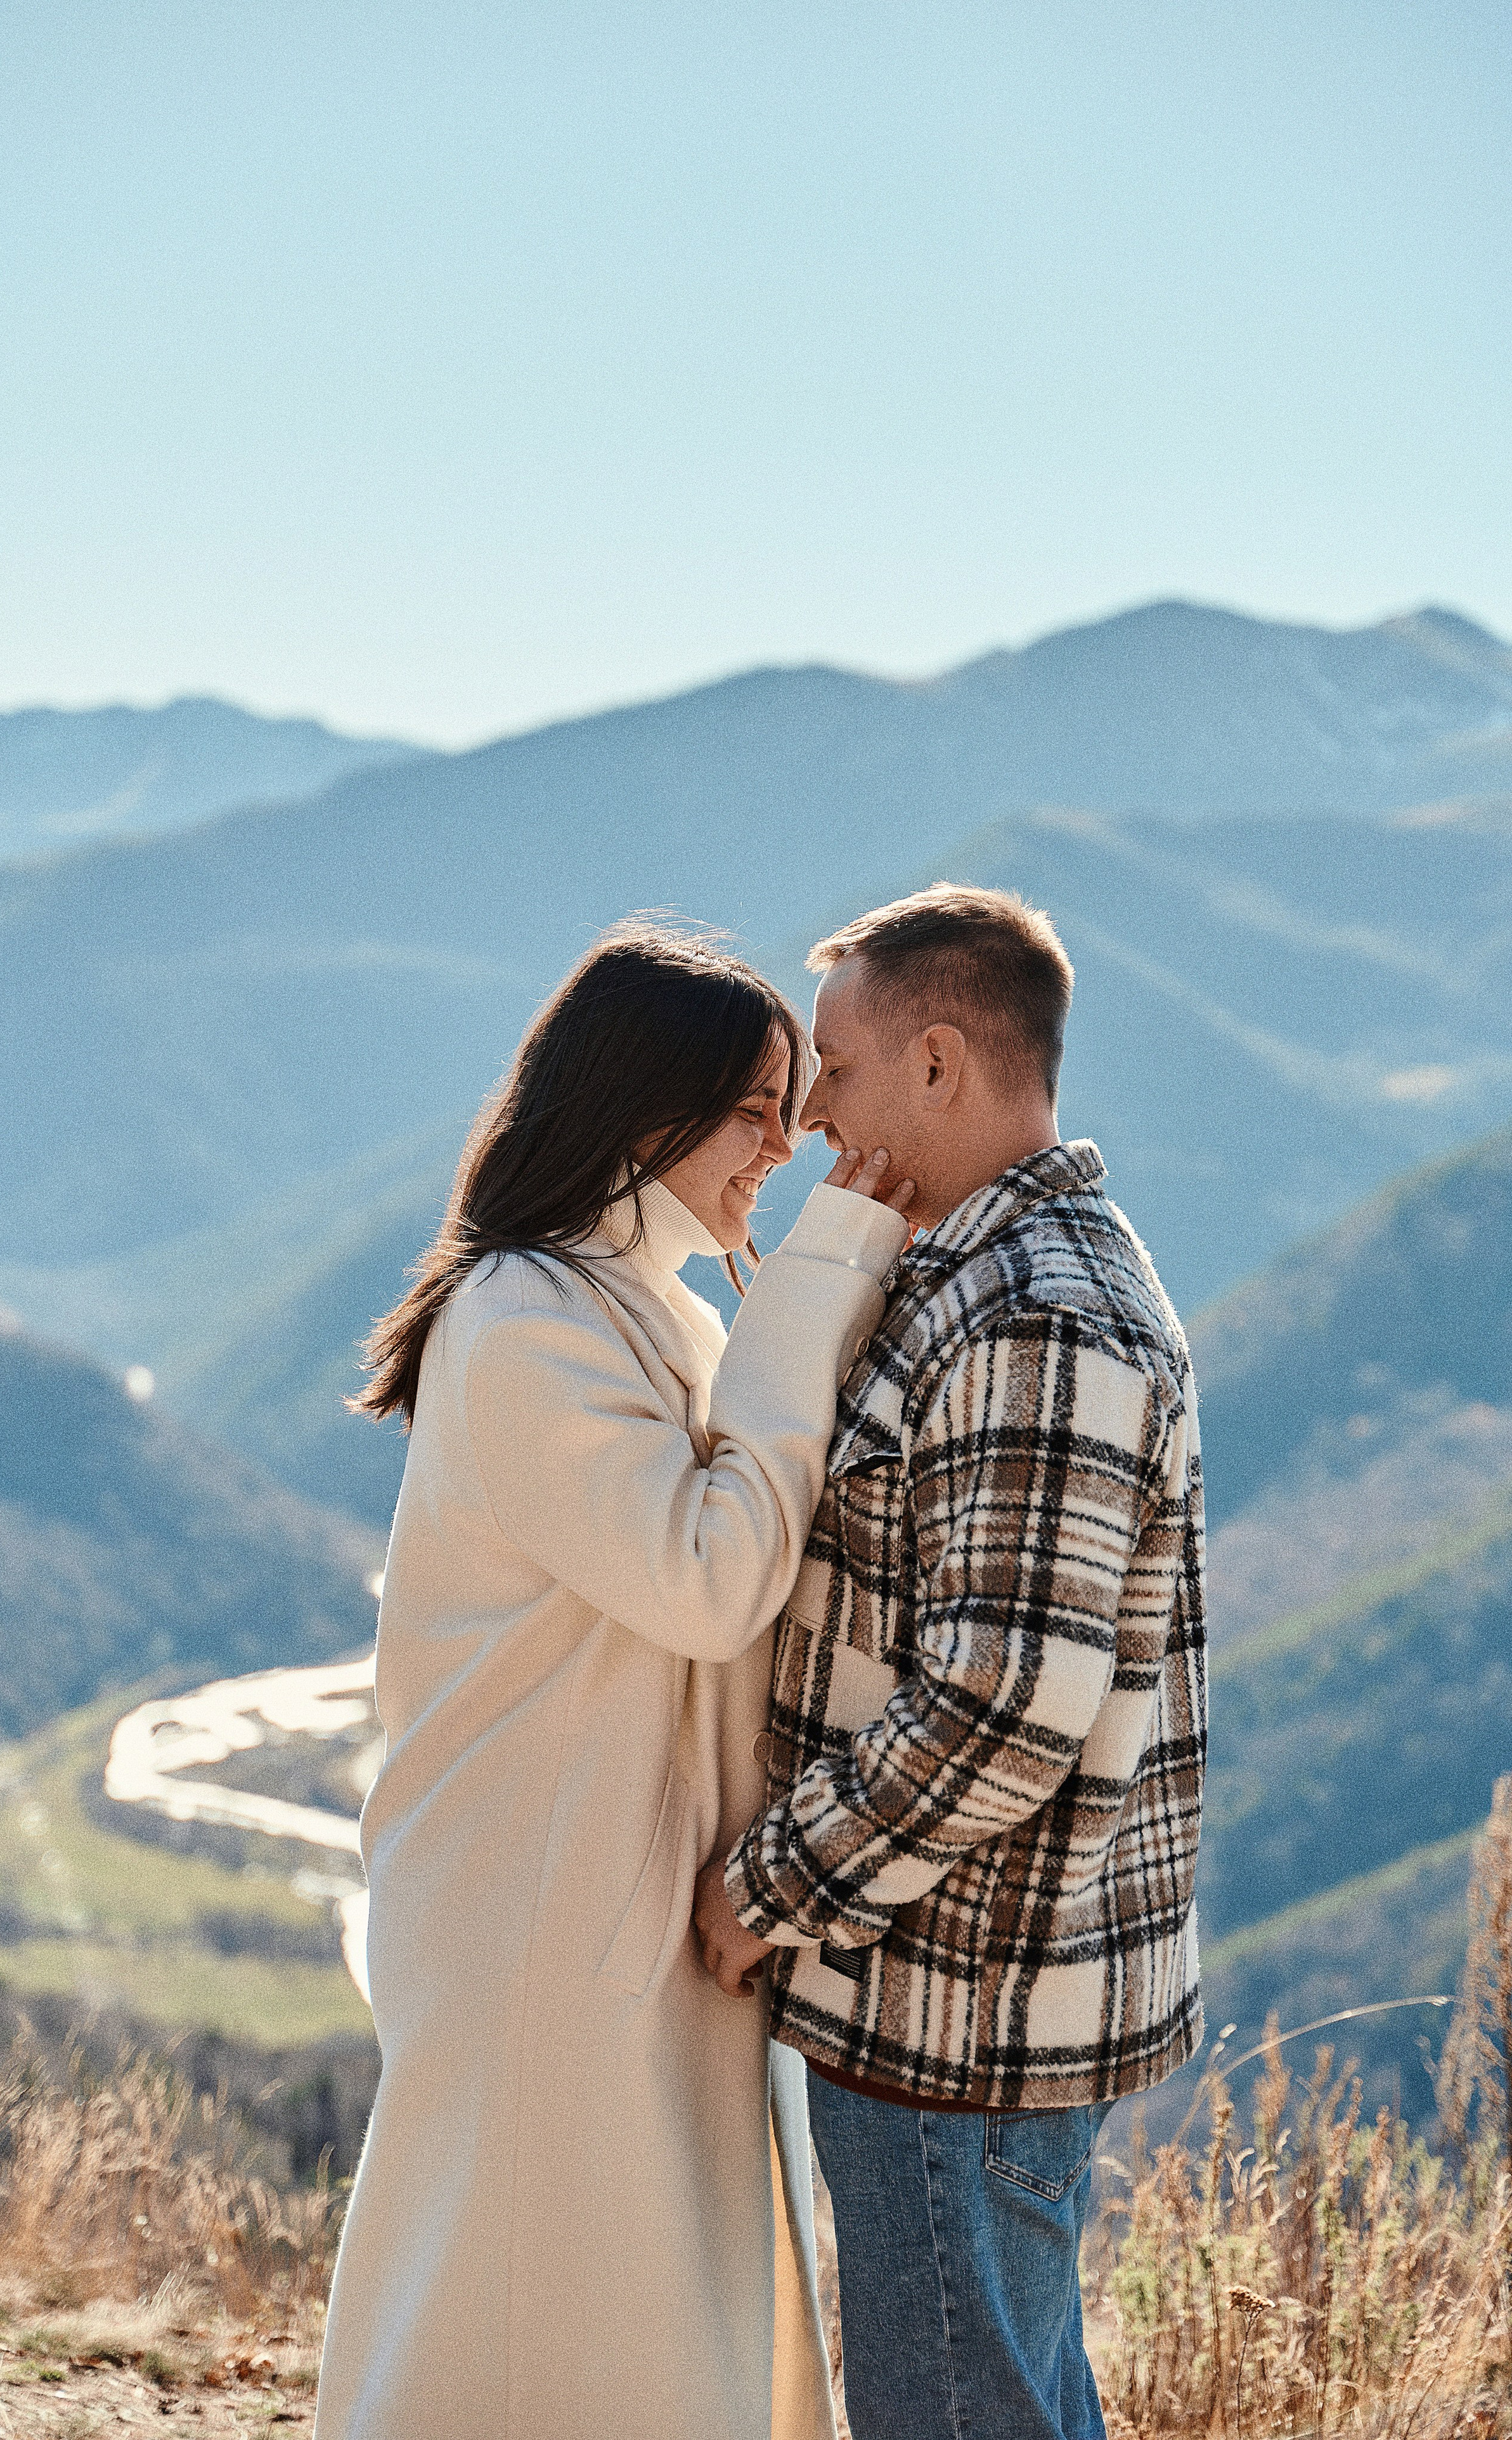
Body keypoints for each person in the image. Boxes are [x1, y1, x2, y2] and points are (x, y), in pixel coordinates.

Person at [314, 921, 915, 2440]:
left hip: (617, 1887)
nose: (789, 1146)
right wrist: (827, 1274)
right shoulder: (523, 1319)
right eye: (753, 1110)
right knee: (548, 2313)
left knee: (626, 2305)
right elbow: (707, 1579)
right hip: (541, 1897)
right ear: (644, 1113)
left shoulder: (646, 1307)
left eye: (794, 1103)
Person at [694, 883, 1207, 2440]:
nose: (811, 1118)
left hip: (956, 2005)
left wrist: (762, 1887)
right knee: (1009, 2397)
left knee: (954, 2413)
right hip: (968, 1989)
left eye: (834, 1072)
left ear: (935, 1061)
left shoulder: (1036, 1314)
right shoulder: (982, 1277)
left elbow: (1001, 1704)